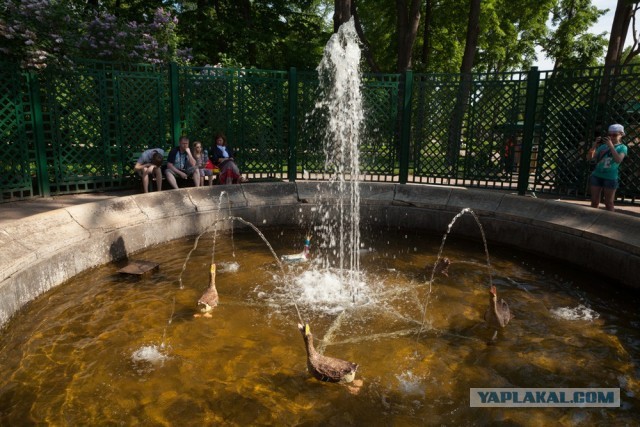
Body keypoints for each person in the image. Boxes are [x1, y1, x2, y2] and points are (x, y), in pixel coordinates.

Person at [586, 124, 628, 211]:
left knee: (609, 203)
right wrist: (594, 145)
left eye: (614, 135)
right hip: (597, 175)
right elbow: (589, 158)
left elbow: (618, 160)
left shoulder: (622, 147)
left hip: (610, 177)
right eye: (609, 135)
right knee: (594, 201)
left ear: (621, 135)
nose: (611, 137)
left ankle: (611, 223)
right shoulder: (602, 146)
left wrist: (611, 146)